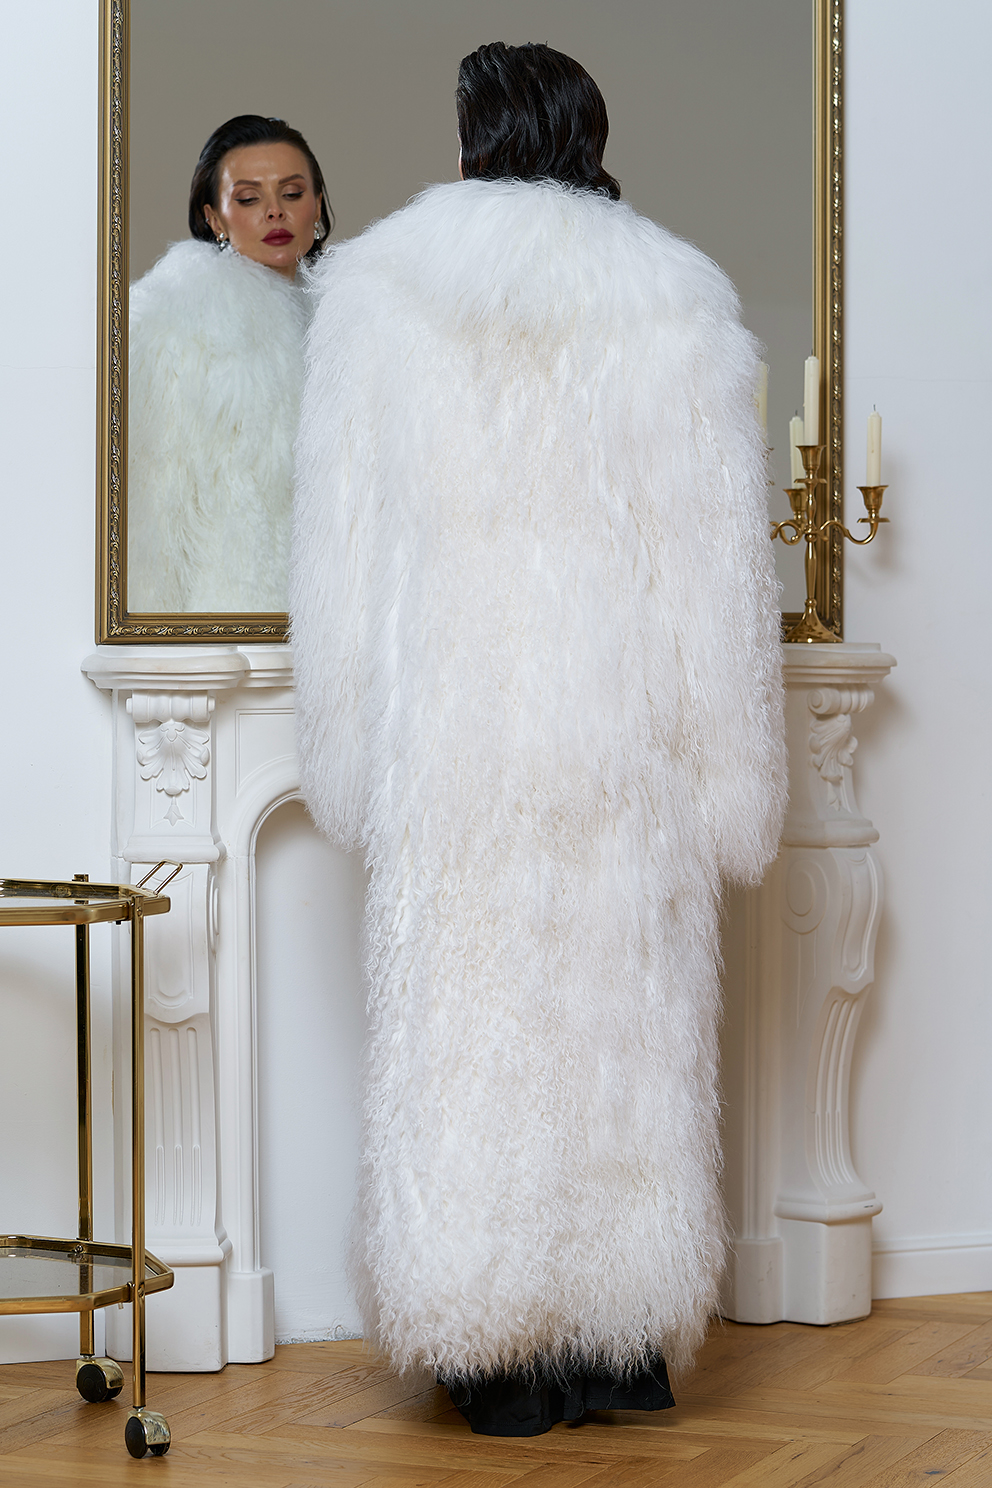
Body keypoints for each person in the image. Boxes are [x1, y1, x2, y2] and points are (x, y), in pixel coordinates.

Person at [290, 42, 786, 1437]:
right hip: (627, 740)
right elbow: (717, 574)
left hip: (457, 746)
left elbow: (340, 552)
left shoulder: (379, 294)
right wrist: (732, 775)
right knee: (626, 1036)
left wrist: (346, 744)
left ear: (473, 142)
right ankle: (618, 1344)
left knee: (469, 1035)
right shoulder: (673, 297)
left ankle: (492, 1348)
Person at [127, 115, 332, 613]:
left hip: (330, 618)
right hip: (227, 623)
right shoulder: (177, 326)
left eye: (292, 193)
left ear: (317, 205)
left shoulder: (346, 320)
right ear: (214, 218)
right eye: (248, 198)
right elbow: (156, 509)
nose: (275, 212)